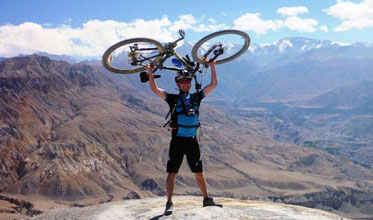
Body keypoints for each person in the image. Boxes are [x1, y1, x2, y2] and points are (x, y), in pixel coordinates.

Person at [146, 61, 222, 214]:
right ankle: (169, 202)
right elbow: (155, 89)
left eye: (187, 81)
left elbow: (213, 84)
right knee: (172, 172)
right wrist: (150, 72)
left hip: (192, 140)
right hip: (178, 141)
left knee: (198, 171)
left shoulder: (196, 98)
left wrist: (212, 65)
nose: (185, 84)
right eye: (182, 82)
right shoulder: (173, 99)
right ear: (178, 83)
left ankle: (206, 200)